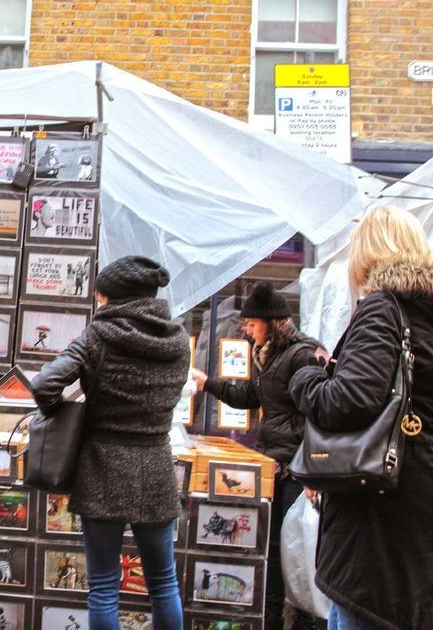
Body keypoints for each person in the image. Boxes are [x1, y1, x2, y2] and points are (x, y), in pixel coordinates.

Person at [287, 206, 433, 630]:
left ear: (367, 253)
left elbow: (348, 400)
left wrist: (307, 374)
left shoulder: (385, 307)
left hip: (384, 521)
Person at [31, 256, 189, 630]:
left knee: (103, 588)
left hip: (102, 464)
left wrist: (68, 410)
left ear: (113, 299)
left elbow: (43, 384)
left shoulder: (97, 336)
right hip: (155, 465)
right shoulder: (179, 340)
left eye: (101, 297)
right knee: (163, 583)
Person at [190, 282, 319, 630]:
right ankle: (272, 618)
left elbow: (315, 414)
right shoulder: (270, 355)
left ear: (271, 321)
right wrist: (208, 384)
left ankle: (301, 622)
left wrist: (310, 470)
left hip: (294, 470)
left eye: (251, 323)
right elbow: (250, 396)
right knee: (272, 548)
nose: (246, 329)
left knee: (289, 550)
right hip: (274, 465)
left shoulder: (301, 355)